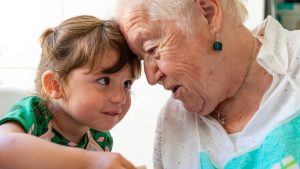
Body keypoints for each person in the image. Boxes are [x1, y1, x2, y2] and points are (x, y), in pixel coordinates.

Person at [117, 0, 300, 168]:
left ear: (207, 14)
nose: (151, 78)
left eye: (152, 48)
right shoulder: (172, 123)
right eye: (142, 58)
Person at [0, 15, 141, 169]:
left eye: (127, 83)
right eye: (104, 81)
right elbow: (3, 146)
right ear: (55, 85)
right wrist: (91, 162)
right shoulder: (34, 115)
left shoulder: (99, 139)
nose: (120, 97)